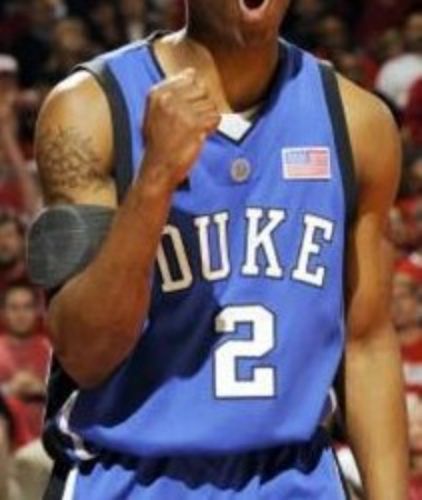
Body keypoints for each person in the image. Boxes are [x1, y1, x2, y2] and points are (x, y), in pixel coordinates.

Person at [33, 0, 408, 498]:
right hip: (128, 475)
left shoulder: (358, 122)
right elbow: (85, 353)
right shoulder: (89, 109)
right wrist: (155, 179)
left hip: (293, 478)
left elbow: (368, 343)